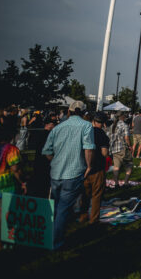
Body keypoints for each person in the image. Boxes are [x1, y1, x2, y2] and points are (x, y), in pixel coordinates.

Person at [42, 100, 95, 249]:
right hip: (73, 172)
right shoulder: (86, 126)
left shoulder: (58, 128)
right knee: (63, 208)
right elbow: (89, 148)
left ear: (69, 111)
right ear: (84, 113)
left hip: (56, 172)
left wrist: (56, 161)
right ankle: (55, 241)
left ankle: (49, 236)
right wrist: (89, 165)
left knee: (56, 206)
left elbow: (47, 151)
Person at [79, 112, 110, 224]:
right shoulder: (102, 135)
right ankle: (94, 219)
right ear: (103, 124)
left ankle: (83, 216)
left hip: (84, 168)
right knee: (96, 195)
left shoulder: (85, 132)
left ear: (93, 121)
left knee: (85, 194)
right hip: (98, 168)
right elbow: (104, 152)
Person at [109, 113, 133, 187]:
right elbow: (126, 138)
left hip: (114, 148)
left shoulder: (112, 126)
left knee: (116, 167)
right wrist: (130, 146)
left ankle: (116, 183)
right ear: (123, 116)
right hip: (123, 148)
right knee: (129, 165)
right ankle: (126, 182)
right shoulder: (124, 125)